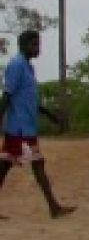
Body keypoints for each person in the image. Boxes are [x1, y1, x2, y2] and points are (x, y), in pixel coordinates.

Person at [0, 30, 75, 219]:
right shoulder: (16, 65)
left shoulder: (28, 67)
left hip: (26, 128)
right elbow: (7, 96)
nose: (38, 48)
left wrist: (49, 114)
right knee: (36, 164)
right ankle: (54, 208)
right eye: (34, 44)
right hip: (19, 129)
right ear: (23, 45)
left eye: (38, 44)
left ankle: (54, 208)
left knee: (7, 167)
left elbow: (29, 99)